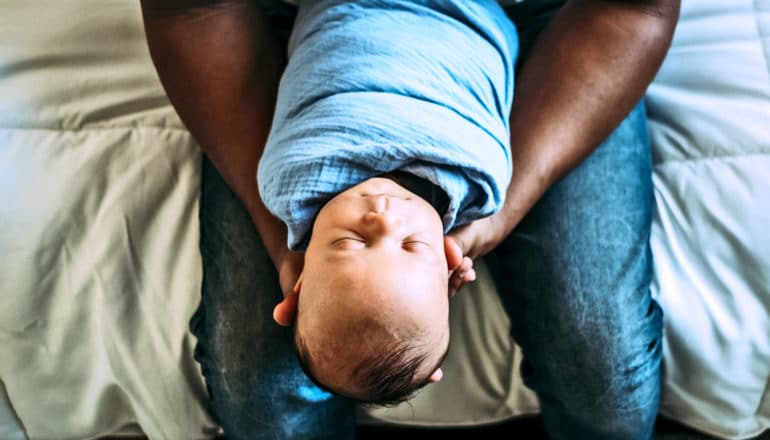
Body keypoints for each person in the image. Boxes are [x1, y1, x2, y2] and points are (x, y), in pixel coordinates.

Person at [139, 0, 680, 439]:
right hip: (313, 23)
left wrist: (503, 210)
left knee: (607, 384)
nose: (381, 217)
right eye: (354, 243)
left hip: (539, 20)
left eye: (359, 240)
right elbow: (188, 9)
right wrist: (284, 243)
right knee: (262, 404)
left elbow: (637, 8)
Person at [259, 0, 517, 404]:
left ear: (301, 277)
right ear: (450, 266)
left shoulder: (290, 178)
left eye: (350, 242)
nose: (383, 222)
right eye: (413, 245)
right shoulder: (476, 180)